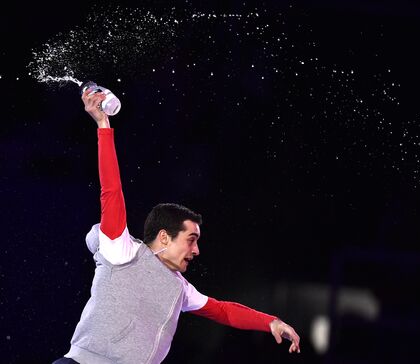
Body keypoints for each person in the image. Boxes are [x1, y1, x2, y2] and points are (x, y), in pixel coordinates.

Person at [53, 88, 300, 363]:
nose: (196, 250)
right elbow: (111, 189)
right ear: (164, 237)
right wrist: (103, 125)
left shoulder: (180, 288)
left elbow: (224, 311)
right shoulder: (122, 251)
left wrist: (270, 322)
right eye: (191, 239)